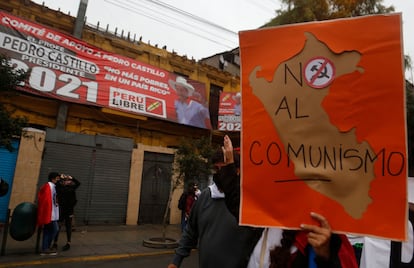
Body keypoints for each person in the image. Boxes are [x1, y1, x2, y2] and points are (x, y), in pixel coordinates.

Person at [218, 135, 358, 268]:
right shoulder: (264, 217)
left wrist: (326, 255)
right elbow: (239, 205)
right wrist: (229, 165)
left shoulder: (321, 233)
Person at [167, 144, 261, 268]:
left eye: (224, 168)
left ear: (237, 171)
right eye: (216, 169)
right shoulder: (205, 196)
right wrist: (176, 261)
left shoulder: (248, 202)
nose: (219, 173)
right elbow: (190, 231)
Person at [52, 173, 80, 251]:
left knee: (68, 226)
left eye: (69, 180)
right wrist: (61, 177)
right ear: (63, 182)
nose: (67, 181)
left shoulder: (72, 188)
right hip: (61, 210)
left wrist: (72, 177)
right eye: (65, 180)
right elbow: (56, 184)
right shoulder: (60, 188)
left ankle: (68, 243)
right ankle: (55, 242)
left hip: (69, 210)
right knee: (58, 226)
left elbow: (78, 183)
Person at [37, 172, 60, 255]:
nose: (58, 180)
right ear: (53, 178)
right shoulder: (49, 187)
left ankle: (45, 248)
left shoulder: (53, 187)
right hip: (50, 214)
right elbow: (46, 201)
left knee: (47, 231)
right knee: (55, 229)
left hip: (51, 213)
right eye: (57, 178)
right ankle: (46, 247)